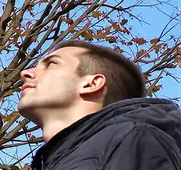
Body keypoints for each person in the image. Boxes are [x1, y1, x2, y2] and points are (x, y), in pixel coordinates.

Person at [17, 40, 181, 169]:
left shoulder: (134, 140)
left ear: (92, 83)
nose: (26, 73)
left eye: (52, 63)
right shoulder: (55, 161)